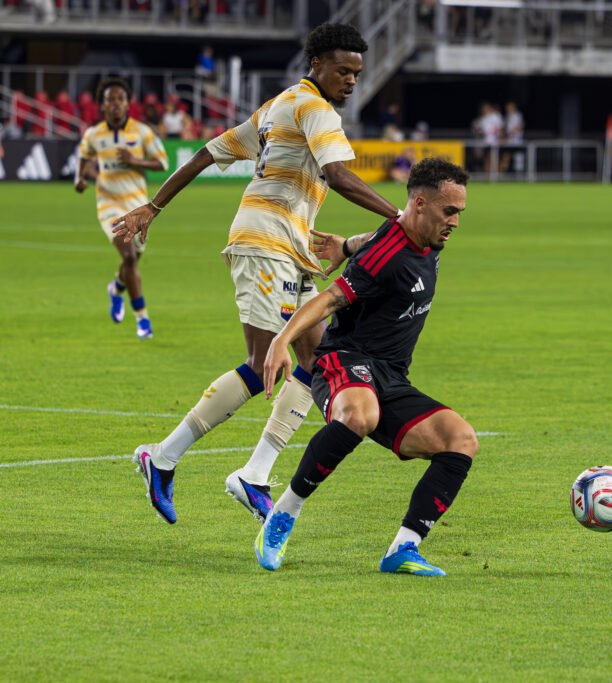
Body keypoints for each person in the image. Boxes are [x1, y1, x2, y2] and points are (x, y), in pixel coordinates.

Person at [112, 22, 400, 526]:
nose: (352, 80)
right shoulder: (314, 108)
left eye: (357, 72)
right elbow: (338, 175)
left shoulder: (277, 105)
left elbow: (208, 152)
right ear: (316, 65)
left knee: (316, 360)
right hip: (263, 242)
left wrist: (154, 207)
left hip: (290, 246)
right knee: (265, 358)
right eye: (343, 70)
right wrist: (399, 219)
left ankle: (253, 475)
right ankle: (162, 456)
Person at [255, 158, 476, 577]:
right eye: (450, 211)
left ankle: (403, 549)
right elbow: (329, 299)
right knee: (360, 414)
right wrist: (283, 339)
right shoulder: (388, 255)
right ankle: (282, 514)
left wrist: (346, 246)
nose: (456, 222)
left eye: (460, 212)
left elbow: (374, 236)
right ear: (421, 204)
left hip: (392, 375)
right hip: (344, 361)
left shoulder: (424, 238)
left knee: (460, 439)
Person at [75, 77, 168, 340]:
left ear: (127, 104)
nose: (115, 104)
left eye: (119, 99)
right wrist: (80, 178)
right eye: (109, 100)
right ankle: (143, 319)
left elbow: (162, 163)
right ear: (102, 106)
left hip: (138, 206)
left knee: (132, 261)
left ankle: (116, 288)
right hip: (108, 205)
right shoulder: (94, 134)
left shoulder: (142, 132)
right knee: (128, 257)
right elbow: (84, 154)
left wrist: (134, 160)